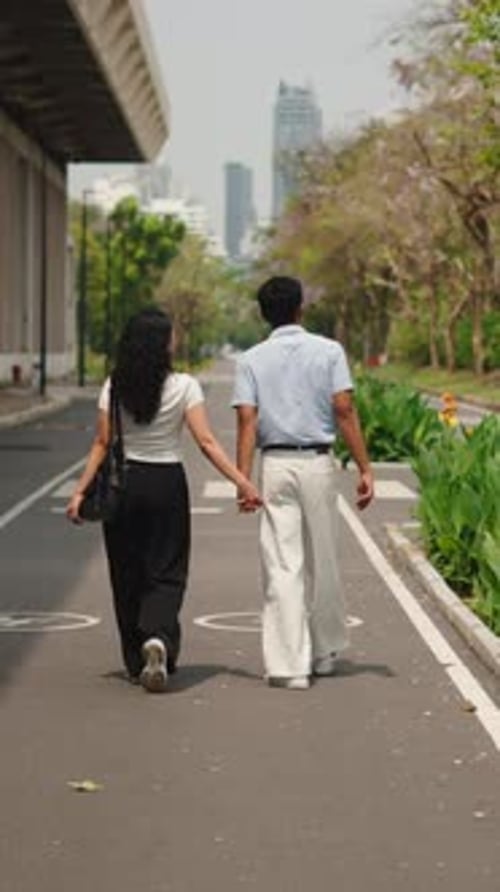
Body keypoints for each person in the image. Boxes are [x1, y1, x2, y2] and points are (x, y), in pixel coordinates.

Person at [67, 308, 261, 693]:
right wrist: (243, 482)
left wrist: (79, 492)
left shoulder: (114, 385)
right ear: (161, 343)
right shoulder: (185, 386)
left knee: (126, 571)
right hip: (166, 483)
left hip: (124, 485)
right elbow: (206, 442)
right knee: (168, 568)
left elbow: (102, 443)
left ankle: (136, 657)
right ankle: (158, 637)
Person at [232, 276, 374, 690]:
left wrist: (243, 480)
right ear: (300, 308)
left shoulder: (250, 359)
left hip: (275, 464)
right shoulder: (330, 351)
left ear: (264, 314)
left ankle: (288, 666)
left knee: (283, 564)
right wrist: (364, 468)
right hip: (317, 462)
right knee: (323, 560)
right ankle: (324, 652)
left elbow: (246, 421)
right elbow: (344, 409)